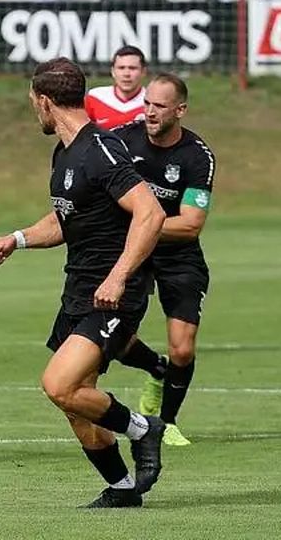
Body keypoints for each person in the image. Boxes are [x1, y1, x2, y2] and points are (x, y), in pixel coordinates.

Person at [0, 58, 165, 508]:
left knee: (59, 384)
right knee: (73, 401)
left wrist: (119, 277)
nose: (34, 112)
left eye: (33, 103)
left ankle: (145, 429)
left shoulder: (100, 149)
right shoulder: (65, 152)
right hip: (78, 288)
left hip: (113, 293)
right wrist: (18, 239)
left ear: (45, 102)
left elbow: (151, 212)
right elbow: (67, 218)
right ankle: (122, 489)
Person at [112, 74, 216, 447]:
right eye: (147, 103)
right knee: (114, 339)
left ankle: (166, 422)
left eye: (159, 106)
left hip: (179, 256)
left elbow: (191, 224)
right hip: (130, 253)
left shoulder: (197, 156)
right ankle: (155, 369)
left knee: (183, 348)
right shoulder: (123, 141)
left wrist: (143, 227)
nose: (150, 112)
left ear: (180, 110)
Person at [85, 46, 148, 130]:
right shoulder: (95, 97)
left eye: (132, 68)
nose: (126, 74)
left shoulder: (153, 101)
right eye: (121, 68)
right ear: (113, 71)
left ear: (143, 72)